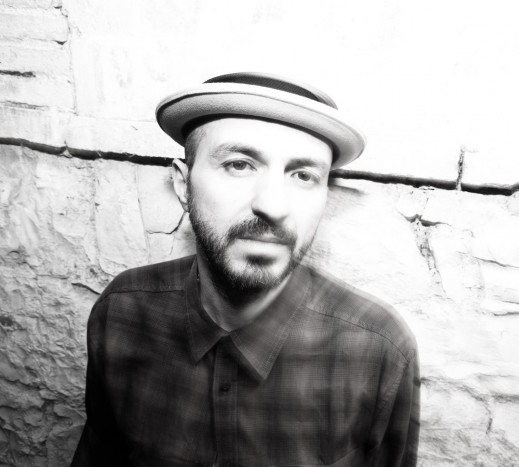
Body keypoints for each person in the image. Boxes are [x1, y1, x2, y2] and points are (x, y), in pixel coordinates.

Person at [71, 72, 420, 467]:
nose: (273, 205)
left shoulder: (378, 349)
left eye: (304, 176)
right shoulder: (122, 313)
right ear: (183, 185)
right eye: (239, 165)